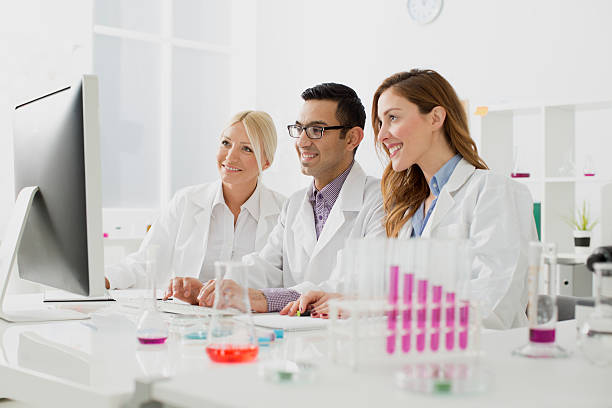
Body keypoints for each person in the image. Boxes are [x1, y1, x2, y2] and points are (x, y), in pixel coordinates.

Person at [285, 69, 537, 330]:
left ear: (436, 118)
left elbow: (492, 306)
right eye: (380, 123)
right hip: (415, 359)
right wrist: (344, 299)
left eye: (393, 118)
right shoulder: (409, 208)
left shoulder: (493, 191)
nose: (382, 135)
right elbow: (397, 296)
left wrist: (378, 307)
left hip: (482, 361)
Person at [166, 83, 385, 312]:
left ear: (352, 138)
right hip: (296, 340)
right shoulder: (296, 203)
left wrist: (264, 299)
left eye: (316, 130)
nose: (302, 142)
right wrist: (211, 290)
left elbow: (360, 284)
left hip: (348, 339)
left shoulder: (379, 200)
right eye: (299, 129)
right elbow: (265, 267)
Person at [105, 110, 285, 290]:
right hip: (187, 315)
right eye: (226, 143)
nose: (230, 156)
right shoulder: (186, 201)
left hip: (252, 315)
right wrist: (104, 280)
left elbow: (282, 281)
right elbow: (146, 261)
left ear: (266, 162)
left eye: (246, 148)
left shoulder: (284, 212)